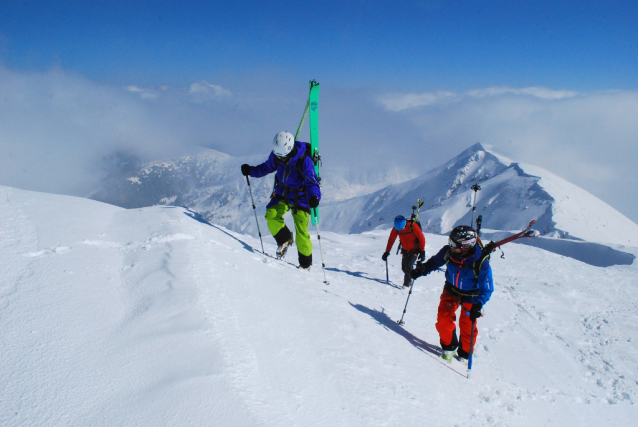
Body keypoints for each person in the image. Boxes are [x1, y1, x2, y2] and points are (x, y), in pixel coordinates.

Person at [410, 225, 493, 364]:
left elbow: (487, 288)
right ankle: (449, 347)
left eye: (454, 244)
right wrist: (422, 270)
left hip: (472, 295)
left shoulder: (480, 261)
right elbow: (434, 262)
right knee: (444, 317)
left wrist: (479, 304)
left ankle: (465, 354)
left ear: (465, 246)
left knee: (467, 325)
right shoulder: (448, 252)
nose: (450, 246)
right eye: (450, 241)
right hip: (451, 289)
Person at [241, 131, 321, 270]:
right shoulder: (277, 155)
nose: (280, 159)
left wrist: (314, 196)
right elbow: (266, 167)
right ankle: (284, 239)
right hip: (282, 193)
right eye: (278, 156)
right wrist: (251, 171)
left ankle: (305, 265)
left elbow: (312, 181)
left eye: (283, 157)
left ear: (290, 150)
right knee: (271, 215)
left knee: (302, 232)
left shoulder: (304, 160)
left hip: (300, 198)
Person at [382, 215, 426, 287]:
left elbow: (422, 239)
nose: (400, 230)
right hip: (405, 250)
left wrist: (422, 252)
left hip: (415, 250)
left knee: (408, 266)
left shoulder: (413, 226)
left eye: (401, 229)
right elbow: (391, 240)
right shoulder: (396, 228)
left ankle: (406, 285)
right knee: (404, 267)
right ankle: (411, 276)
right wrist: (387, 251)